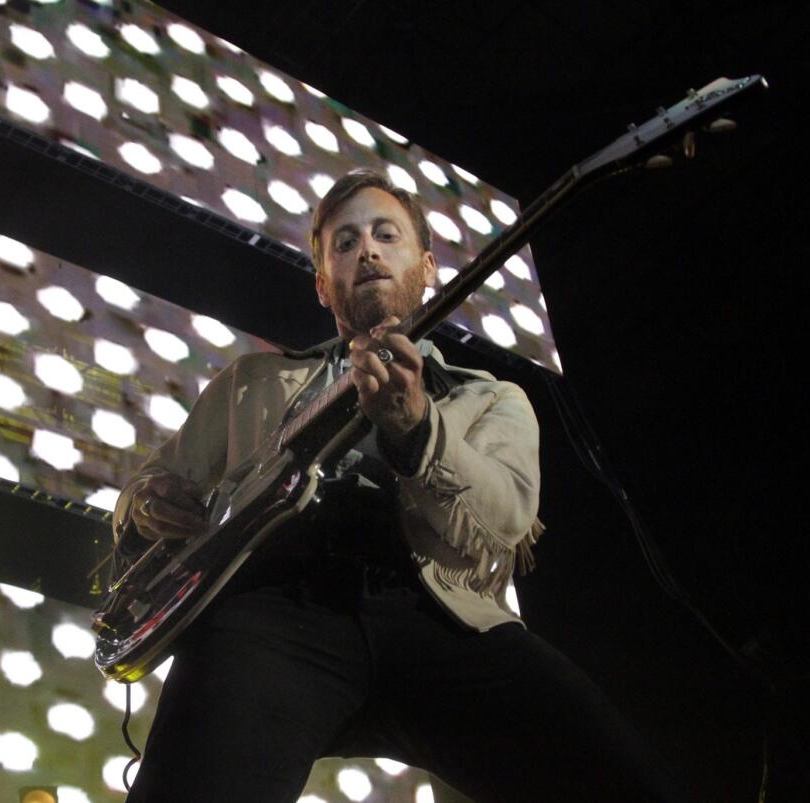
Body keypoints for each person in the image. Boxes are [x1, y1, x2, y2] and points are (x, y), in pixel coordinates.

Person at [109, 170, 680, 802]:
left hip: (440, 615)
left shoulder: (490, 396)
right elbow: (153, 483)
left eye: (386, 235)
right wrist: (148, 503)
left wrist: (417, 433)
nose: (369, 251)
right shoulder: (252, 380)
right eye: (346, 243)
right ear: (325, 283)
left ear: (428, 266)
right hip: (272, 608)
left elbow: (507, 521)